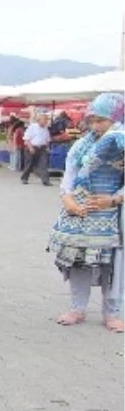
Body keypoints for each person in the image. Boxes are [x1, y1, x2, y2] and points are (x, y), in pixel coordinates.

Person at [49, 93, 125, 331]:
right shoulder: (82, 145)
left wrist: (113, 199)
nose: (95, 126)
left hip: (111, 213)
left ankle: (112, 312)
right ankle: (77, 307)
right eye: (91, 120)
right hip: (80, 212)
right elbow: (69, 174)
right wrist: (67, 199)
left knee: (111, 265)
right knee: (79, 262)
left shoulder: (120, 142)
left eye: (101, 120)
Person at [21, 112, 52, 186]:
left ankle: (45, 180)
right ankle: (24, 178)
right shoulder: (32, 127)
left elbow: (47, 139)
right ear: (39, 120)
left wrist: (47, 147)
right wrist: (30, 147)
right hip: (32, 147)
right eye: (44, 120)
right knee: (29, 164)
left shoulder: (46, 129)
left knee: (43, 164)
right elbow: (27, 139)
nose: (46, 121)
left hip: (42, 148)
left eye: (46, 120)